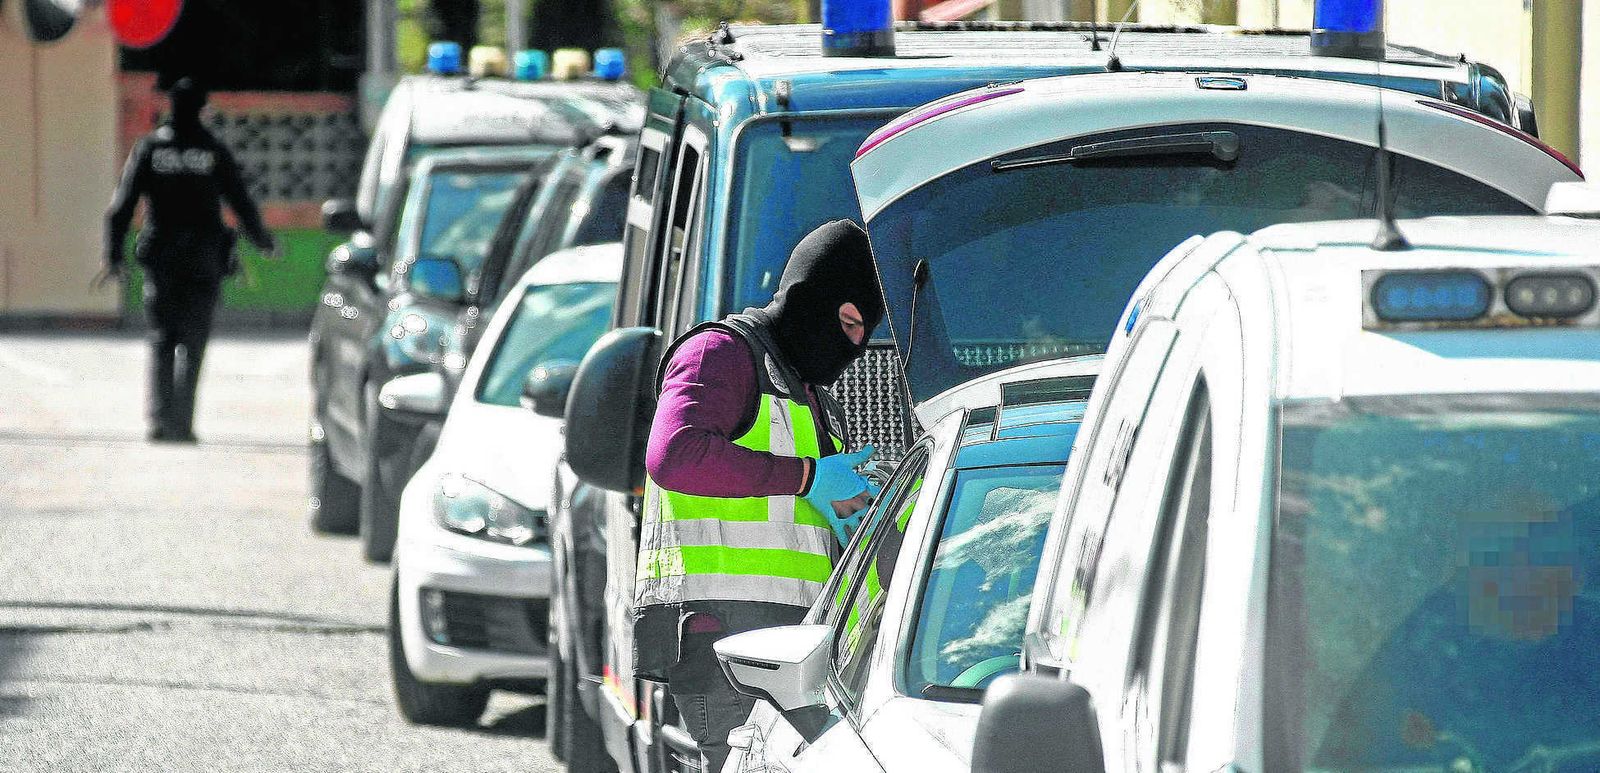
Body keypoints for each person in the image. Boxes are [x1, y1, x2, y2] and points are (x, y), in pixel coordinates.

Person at [638, 219, 884, 772]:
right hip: (724, 653)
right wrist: (806, 478)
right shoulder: (719, 355)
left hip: (797, 660)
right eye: (846, 322)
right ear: (806, 298)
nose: (851, 346)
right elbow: (672, 454)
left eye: (862, 335)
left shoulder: (810, 395)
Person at [100, 77, 277, 443]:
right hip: (203, 260)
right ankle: (183, 424)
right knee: (193, 343)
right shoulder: (213, 151)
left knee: (162, 340)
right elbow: (240, 201)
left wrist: (114, 255)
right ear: (202, 110)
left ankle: (161, 421)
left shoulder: (149, 149)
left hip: (161, 259)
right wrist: (262, 242)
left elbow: (121, 208)